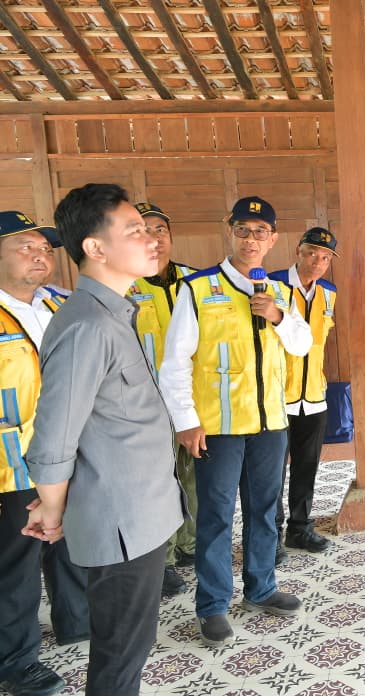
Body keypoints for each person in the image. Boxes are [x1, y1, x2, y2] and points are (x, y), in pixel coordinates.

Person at [22, 184, 184, 696]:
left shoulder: (114, 312)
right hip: (121, 520)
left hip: (139, 513)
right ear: (95, 247)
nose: (151, 239)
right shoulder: (88, 324)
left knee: (129, 647)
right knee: (118, 659)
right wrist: (53, 509)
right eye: (134, 231)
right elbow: (54, 436)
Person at [158, 196, 312, 648]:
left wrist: (277, 316)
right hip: (219, 427)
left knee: (264, 510)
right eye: (243, 230)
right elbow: (175, 362)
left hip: (270, 423)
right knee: (216, 515)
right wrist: (186, 421)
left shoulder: (279, 291)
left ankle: (261, 588)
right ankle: (212, 605)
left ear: (273, 239)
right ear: (230, 233)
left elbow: (301, 344)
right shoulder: (198, 288)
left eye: (260, 232)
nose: (251, 239)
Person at [0, 211, 89, 696]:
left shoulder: (60, 304)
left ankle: (76, 620)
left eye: (44, 249)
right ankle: (16, 662)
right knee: (17, 562)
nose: (40, 256)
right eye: (25, 248)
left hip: (66, 451)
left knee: (68, 541)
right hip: (12, 463)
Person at [128, 202, 198, 598]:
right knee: (159, 482)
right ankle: (164, 559)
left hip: (191, 400)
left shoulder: (195, 281)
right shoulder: (124, 285)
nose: (154, 238)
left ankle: (191, 544)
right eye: (144, 230)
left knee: (193, 475)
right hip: (146, 404)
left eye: (161, 230)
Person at [270, 227, 338, 562]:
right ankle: (269, 536)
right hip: (276, 397)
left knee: (306, 467)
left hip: (313, 396)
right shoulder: (273, 285)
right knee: (271, 473)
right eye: (311, 253)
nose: (317, 262)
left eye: (325, 257)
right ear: (297, 251)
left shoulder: (329, 293)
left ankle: (299, 528)